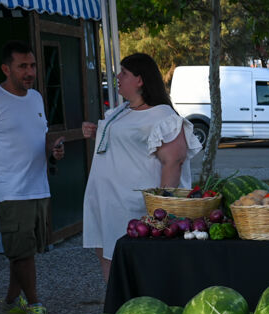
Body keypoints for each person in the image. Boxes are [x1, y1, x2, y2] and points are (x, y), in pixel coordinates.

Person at [0, 41, 65, 314]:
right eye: (23, 66)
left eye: (32, 65)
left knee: (23, 250)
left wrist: (53, 149)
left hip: (38, 187)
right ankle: (34, 304)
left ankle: (10, 303)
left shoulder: (35, 98)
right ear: (6, 68)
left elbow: (41, 139)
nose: (30, 71)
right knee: (22, 252)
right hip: (10, 191)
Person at [81, 53, 201, 281]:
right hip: (108, 202)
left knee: (136, 269)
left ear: (140, 80)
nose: (117, 76)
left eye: (124, 73)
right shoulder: (122, 110)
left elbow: (173, 162)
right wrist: (98, 133)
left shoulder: (161, 116)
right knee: (111, 262)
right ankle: (115, 310)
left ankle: (133, 309)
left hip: (133, 207)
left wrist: (160, 213)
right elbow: (129, 141)